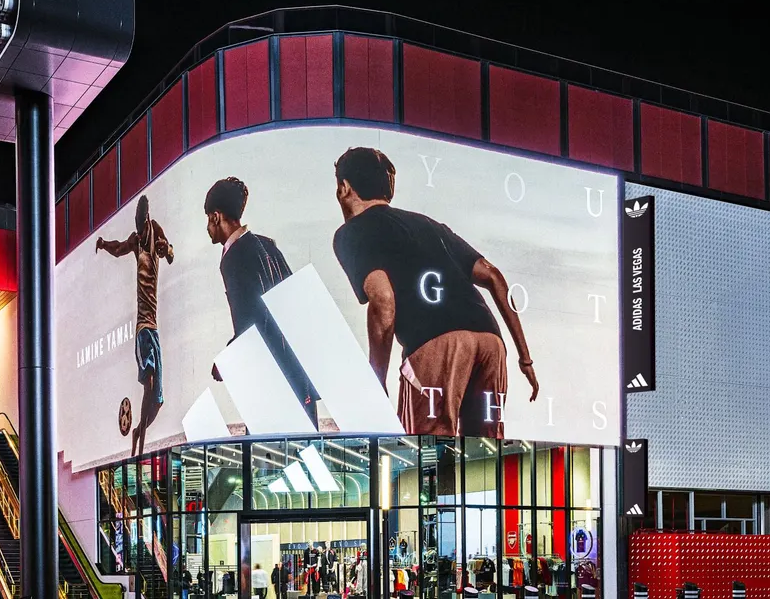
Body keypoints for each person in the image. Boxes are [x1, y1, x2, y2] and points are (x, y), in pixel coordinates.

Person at [330, 147, 538, 437]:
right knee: (487, 447)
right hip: (490, 341)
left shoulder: (352, 232)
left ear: (344, 187)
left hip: (434, 344)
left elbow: (383, 300)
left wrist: (376, 380)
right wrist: (525, 359)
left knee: (426, 449)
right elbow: (493, 277)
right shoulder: (429, 225)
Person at [203, 177, 320, 425]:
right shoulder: (267, 245)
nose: (208, 227)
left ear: (216, 216)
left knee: (263, 447)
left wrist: (227, 360)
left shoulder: (233, 258)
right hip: (299, 375)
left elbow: (251, 319)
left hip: (273, 380)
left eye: (208, 220)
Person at [97, 195, 176, 456]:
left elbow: (170, 252)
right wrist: (103, 244)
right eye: (137, 226)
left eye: (141, 226)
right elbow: (119, 248)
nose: (140, 232)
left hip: (154, 328)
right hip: (143, 328)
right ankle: (140, 450)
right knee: (148, 381)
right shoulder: (135, 241)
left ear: (147, 220)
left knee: (158, 400)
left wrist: (166, 248)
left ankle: (139, 431)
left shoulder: (155, 231)